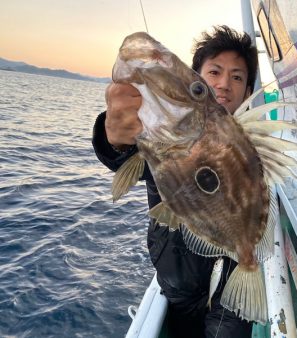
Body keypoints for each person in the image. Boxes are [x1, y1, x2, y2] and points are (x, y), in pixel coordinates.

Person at [92, 25, 258, 338]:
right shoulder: (166, 127)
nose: (223, 84)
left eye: (237, 77)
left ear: (247, 92)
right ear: (196, 78)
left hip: (232, 294)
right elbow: (125, 157)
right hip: (178, 283)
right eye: (214, 73)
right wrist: (114, 136)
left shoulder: (254, 148)